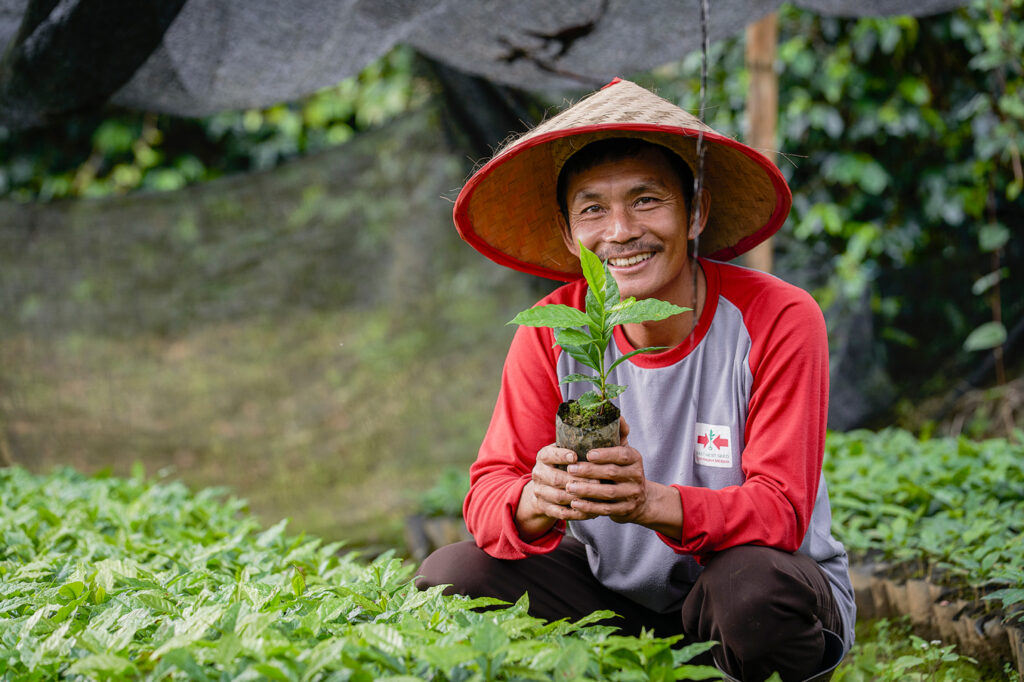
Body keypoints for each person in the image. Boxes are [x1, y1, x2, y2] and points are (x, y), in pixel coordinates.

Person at [417, 78, 855, 682]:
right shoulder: (555, 329)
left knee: (752, 594)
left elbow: (780, 511)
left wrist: (649, 502)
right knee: (454, 576)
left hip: (741, 589)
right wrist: (538, 500)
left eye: (647, 200)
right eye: (593, 208)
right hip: (618, 599)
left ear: (695, 212)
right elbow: (488, 492)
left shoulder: (776, 317)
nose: (620, 231)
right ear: (571, 234)